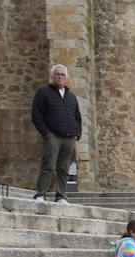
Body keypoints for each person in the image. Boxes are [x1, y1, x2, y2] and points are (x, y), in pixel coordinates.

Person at [31, 65, 82, 204]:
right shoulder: (43, 93)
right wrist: (46, 133)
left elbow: (77, 117)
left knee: (64, 168)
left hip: (69, 137)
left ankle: (61, 196)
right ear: (53, 76)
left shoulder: (71, 97)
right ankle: (40, 194)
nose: (60, 77)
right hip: (53, 135)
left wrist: (77, 134)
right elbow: (36, 114)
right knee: (49, 165)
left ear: (66, 78)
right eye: (57, 74)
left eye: (62, 75)